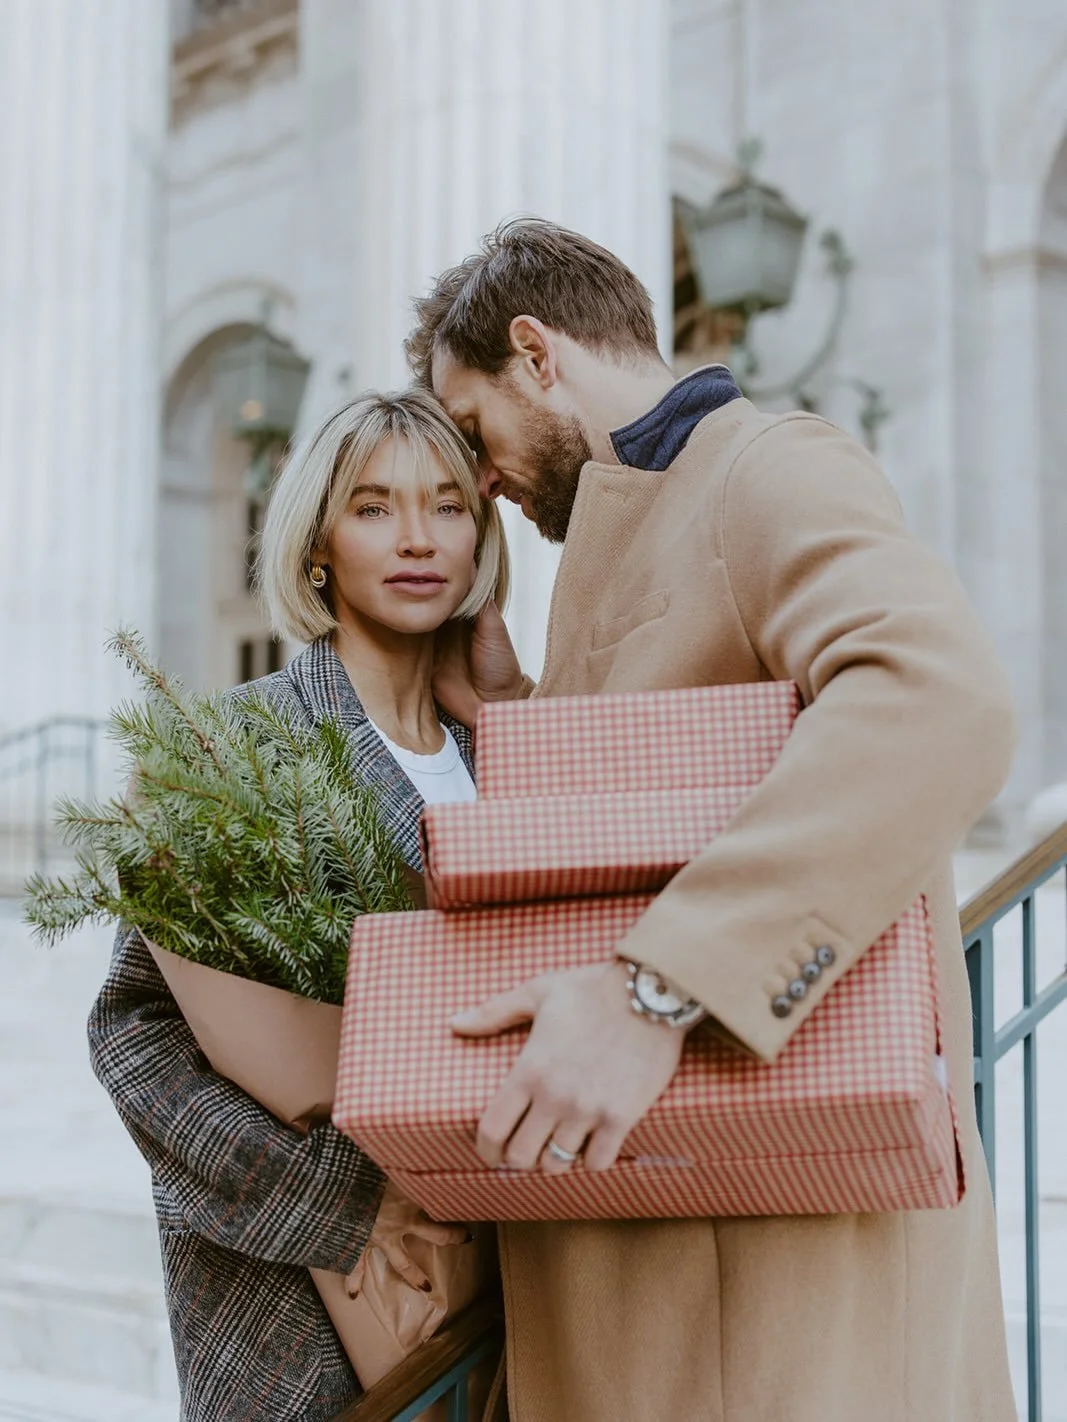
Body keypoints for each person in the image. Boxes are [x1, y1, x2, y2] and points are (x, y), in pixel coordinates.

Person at [409, 219, 1019, 1422]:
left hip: (766, 1285)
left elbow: (938, 697)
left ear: (537, 353)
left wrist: (657, 989)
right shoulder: (627, 519)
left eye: (472, 433)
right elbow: (675, 793)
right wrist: (521, 714)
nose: (476, 480)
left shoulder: (760, 466)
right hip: (663, 1251)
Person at [88, 389, 509, 1422]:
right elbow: (134, 1037)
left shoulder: (501, 753)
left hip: (510, 1263)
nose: (417, 538)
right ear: (317, 541)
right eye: (372, 507)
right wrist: (343, 1203)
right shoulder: (234, 746)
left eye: (448, 506)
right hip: (302, 1298)